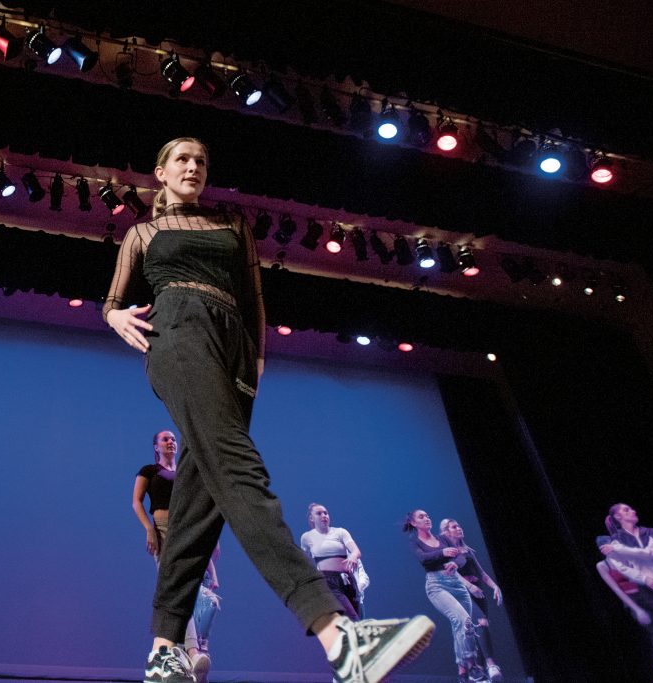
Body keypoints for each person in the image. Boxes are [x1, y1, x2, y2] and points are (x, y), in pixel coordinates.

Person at [104, 136, 434, 683]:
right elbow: (113, 303)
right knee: (239, 470)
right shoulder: (143, 232)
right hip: (178, 334)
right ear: (160, 173)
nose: (193, 167)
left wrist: (254, 361)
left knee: (200, 499)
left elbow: (254, 299)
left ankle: (164, 650)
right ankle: (338, 634)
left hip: (232, 349)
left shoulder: (233, 224)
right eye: (182, 160)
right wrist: (114, 317)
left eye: (201, 161)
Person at [133, 430, 221, 683]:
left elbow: (199, 503)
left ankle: (181, 652)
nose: (171, 441)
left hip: (187, 528)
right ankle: (193, 652)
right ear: (155, 446)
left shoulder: (184, 471)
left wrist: (210, 535)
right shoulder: (149, 471)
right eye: (165, 439)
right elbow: (136, 502)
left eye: (173, 438)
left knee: (192, 591)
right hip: (162, 530)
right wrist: (149, 528)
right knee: (176, 590)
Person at [404, 510, 481, 683]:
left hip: (457, 584)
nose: (427, 518)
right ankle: (472, 664)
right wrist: (443, 553)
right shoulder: (415, 541)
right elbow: (423, 559)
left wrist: (455, 562)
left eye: (428, 515)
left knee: (460, 626)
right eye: (421, 517)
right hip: (437, 585)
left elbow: (461, 556)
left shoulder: (443, 539)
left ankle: (462, 672)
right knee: (465, 621)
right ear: (413, 523)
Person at [600, 503, 653, 683]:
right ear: (618, 517)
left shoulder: (649, 532)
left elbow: (651, 554)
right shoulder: (616, 540)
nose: (633, 510)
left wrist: (621, 550)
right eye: (626, 510)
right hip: (642, 588)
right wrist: (646, 579)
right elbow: (623, 568)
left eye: (631, 508)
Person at [440, 518, 503, 682]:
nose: (459, 528)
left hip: (478, 593)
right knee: (480, 622)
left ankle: (481, 673)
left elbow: (482, 573)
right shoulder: (446, 551)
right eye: (454, 526)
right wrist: (469, 586)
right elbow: (453, 574)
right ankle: (491, 664)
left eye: (459, 525)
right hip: (462, 594)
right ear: (446, 532)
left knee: (478, 631)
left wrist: (495, 587)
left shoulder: (467, 551)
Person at [301, 504, 363, 620]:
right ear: (311, 518)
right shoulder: (307, 537)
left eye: (326, 513)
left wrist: (353, 557)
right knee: (352, 617)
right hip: (328, 581)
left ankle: (356, 637)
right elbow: (305, 561)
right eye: (319, 513)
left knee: (358, 615)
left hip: (347, 579)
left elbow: (356, 551)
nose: (324, 515)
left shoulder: (340, 532)